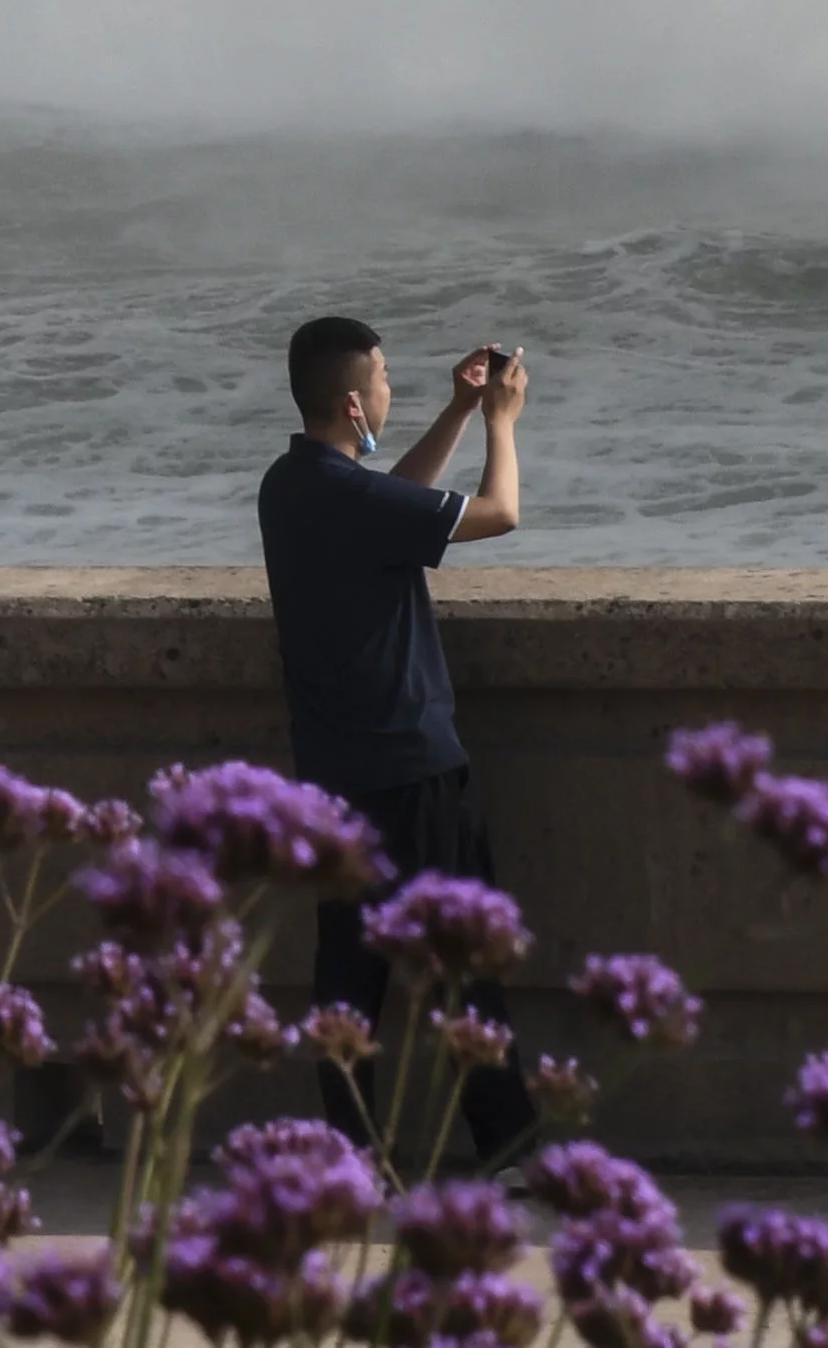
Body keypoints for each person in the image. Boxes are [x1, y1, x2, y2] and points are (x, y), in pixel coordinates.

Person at [256, 311, 532, 1155]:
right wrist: (499, 421)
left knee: (350, 976)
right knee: (463, 964)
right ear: (351, 401)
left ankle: (350, 1151)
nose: (388, 388)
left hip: (334, 767)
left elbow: (393, 506)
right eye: (381, 379)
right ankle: (509, 1149)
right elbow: (498, 512)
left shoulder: (291, 484)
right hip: (411, 763)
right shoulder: (346, 495)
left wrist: (451, 411)